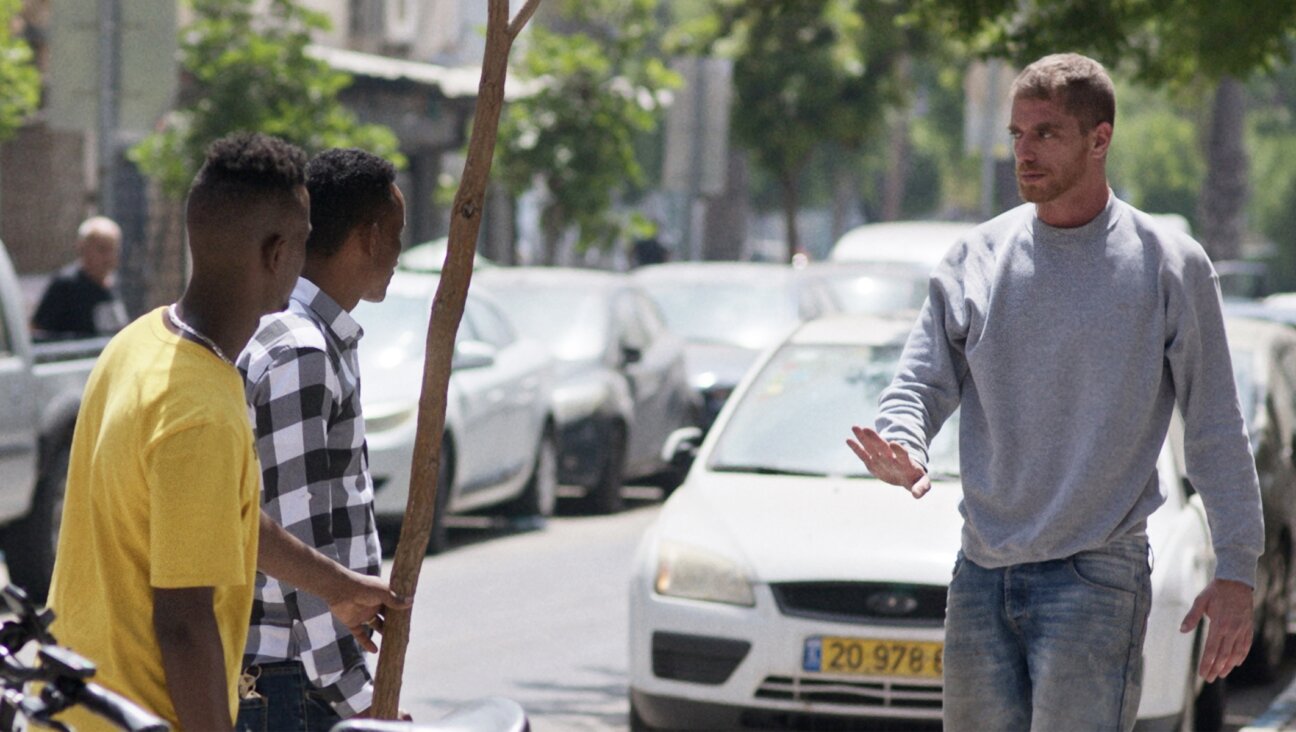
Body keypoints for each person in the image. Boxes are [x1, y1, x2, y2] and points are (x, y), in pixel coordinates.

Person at [847, 53, 1263, 732]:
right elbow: (919, 384)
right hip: (981, 572)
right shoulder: (974, 259)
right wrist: (903, 441)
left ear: (1099, 139)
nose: (1025, 152)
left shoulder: (1168, 264)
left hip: (1097, 577)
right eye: (1016, 134)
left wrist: (1238, 567)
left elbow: (1216, 424)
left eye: (1045, 133)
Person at [46, 133, 410, 732]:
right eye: (301, 243)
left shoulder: (138, 343)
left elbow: (229, 516)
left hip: (76, 707)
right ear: (276, 253)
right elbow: (185, 623)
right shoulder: (201, 410)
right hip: (135, 717)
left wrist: (337, 585)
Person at [236, 148, 406, 730]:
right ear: (370, 237)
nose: (400, 254)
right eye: (399, 235)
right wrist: (363, 701)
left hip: (297, 675)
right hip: (286, 679)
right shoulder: (301, 351)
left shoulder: (315, 338)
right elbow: (295, 531)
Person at [30, 215, 129, 339]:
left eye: (113, 250)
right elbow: (38, 331)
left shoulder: (113, 285)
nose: (109, 258)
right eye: (102, 249)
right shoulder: (66, 285)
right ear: (83, 248)